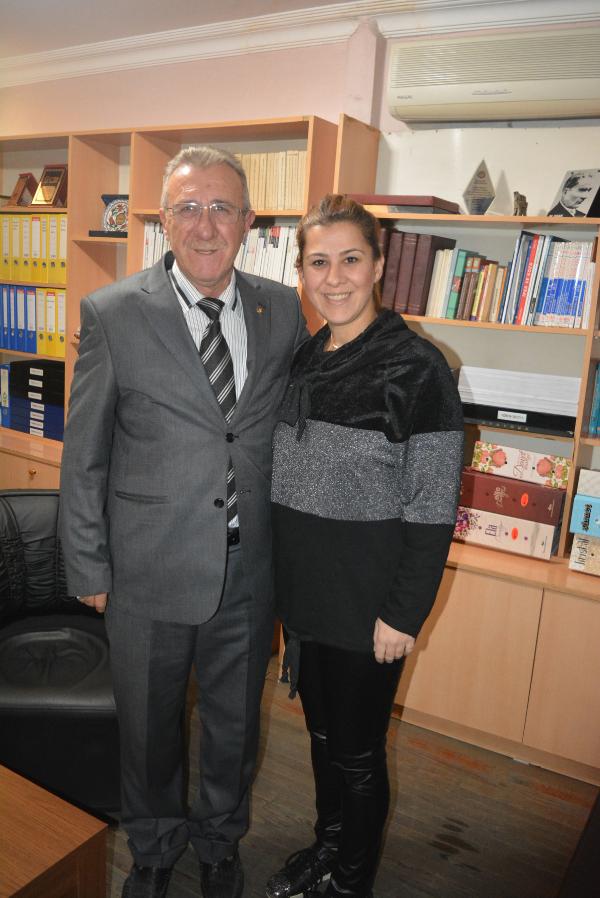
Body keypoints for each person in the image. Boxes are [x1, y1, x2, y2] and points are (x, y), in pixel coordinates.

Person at [58, 145, 308, 898]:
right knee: (148, 728)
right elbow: (85, 455)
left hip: (249, 569)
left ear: (248, 221)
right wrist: (89, 565)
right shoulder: (113, 312)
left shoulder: (283, 309)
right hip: (146, 571)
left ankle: (220, 842)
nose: (206, 226)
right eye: (189, 208)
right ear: (163, 221)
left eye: (222, 208)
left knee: (235, 728)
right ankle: (155, 847)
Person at [266, 195, 464, 898]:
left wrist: (404, 614)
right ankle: (327, 847)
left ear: (378, 266)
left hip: (368, 605)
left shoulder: (417, 369)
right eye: (318, 262)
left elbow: (433, 508)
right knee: (322, 738)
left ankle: (350, 882)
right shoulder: (305, 357)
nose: (335, 277)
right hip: (306, 597)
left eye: (350, 259)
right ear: (301, 272)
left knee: (356, 754)